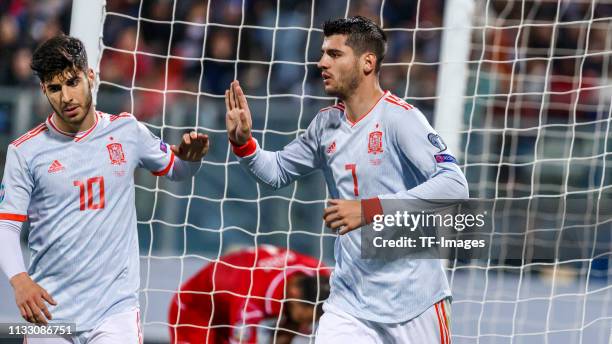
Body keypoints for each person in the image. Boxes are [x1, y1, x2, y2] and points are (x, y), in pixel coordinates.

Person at [225, 16, 468, 343]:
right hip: (349, 303)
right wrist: (244, 143)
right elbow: (277, 171)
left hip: (414, 302)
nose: (321, 62)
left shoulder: (400, 119)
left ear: (368, 62)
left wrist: (368, 209)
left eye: (334, 54)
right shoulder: (325, 125)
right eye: (324, 53)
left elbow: (455, 185)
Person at [0, 34, 209, 343]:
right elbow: (6, 226)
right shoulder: (25, 152)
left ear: (90, 76)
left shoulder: (127, 130)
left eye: (73, 82)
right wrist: (20, 281)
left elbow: (176, 169)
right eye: (55, 88)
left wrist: (191, 161)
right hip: (51, 312)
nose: (66, 97)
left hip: (114, 310)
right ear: (44, 90)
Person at [168, 245, 330, 344]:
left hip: (230, 301)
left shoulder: (318, 270)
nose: (309, 324)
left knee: (292, 323)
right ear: (294, 294)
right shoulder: (249, 304)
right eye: (307, 319)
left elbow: (292, 325)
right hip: (195, 313)